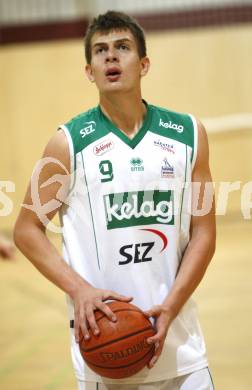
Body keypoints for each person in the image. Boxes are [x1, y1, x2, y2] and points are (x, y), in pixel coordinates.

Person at [14, 10, 216, 390]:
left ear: (143, 64)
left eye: (122, 48)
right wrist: (79, 289)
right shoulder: (67, 143)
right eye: (100, 50)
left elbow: (204, 231)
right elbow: (27, 229)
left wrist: (171, 305)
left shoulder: (189, 134)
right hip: (103, 349)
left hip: (182, 349)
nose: (111, 56)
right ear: (89, 71)